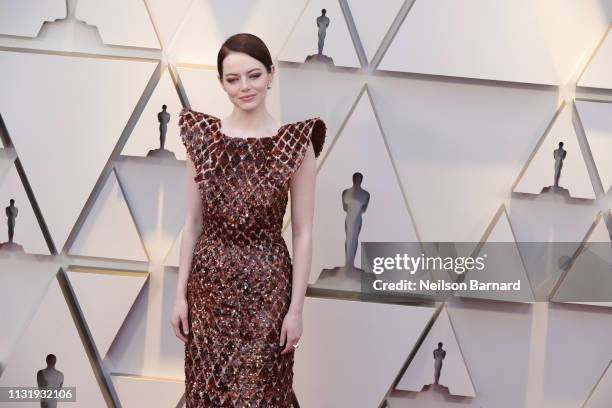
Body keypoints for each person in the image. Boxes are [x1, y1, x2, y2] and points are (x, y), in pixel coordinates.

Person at [170, 32, 326, 407]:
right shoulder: (203, 138)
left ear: (271, 74)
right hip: (208, 289)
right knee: (208, 393)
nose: (245, 87)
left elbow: (304, 233)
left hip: (268, 290)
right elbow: (192, 224)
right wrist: (179, 296)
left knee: (263, 394)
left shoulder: (295, 142)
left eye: (254, 75)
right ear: (221, 83)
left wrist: (296, 311)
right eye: (233, 78)